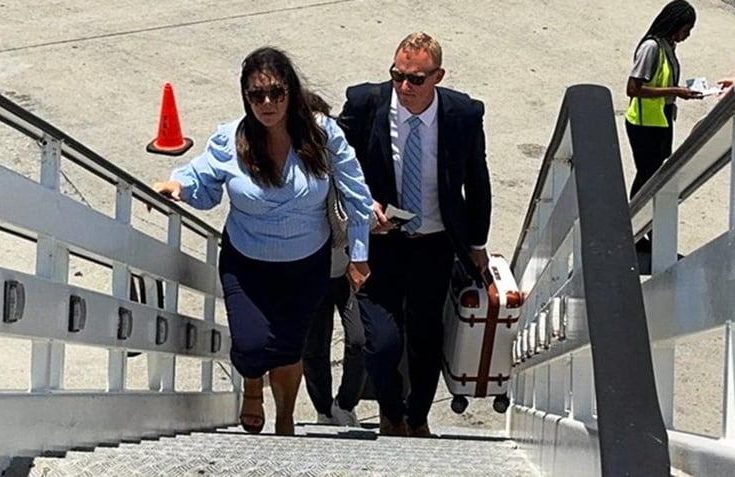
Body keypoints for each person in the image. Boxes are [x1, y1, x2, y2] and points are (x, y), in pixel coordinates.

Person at [153, 47, 373, 436]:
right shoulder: (230, 138)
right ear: (246, 97)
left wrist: (359, 254)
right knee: (252, 348)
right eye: (257, 95)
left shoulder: (323, 134)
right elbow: (201, 179)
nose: (267, 103)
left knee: (289, 349)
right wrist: (178, 185)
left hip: (306, 265)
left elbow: (356, 194)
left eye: (276, 93)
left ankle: (285, 415)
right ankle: (252, 386)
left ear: (291, 92)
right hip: (247, 263)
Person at [337, 32, 491, 437]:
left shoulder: (464, 114)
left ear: (437, 76)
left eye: (416, 79)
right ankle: (391, 411)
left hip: (435, 245)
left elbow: (477, 180)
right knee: (383, 342)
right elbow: (333, 162)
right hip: (380, 243)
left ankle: (418, 416)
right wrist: (361, 204)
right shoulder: (365, 104)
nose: (404, 87)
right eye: (397, 76)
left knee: (425, 338)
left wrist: (476, 243)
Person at [625, 0, 701, 203]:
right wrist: (676, 91)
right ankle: (638, 224)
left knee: (649, 175)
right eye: (687, 29)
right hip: (643, 123)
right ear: (675, 25)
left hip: (661, 118)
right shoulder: (651, 47)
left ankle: (638, 225)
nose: (688, 35)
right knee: (649, 177)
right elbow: (633, 89)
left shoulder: (668, 46)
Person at [302, 246, 364, 427]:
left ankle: (345, 404)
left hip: (348, 275)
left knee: (359, 340)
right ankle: (323, 409)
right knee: (314, 348)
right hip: (311, 274)